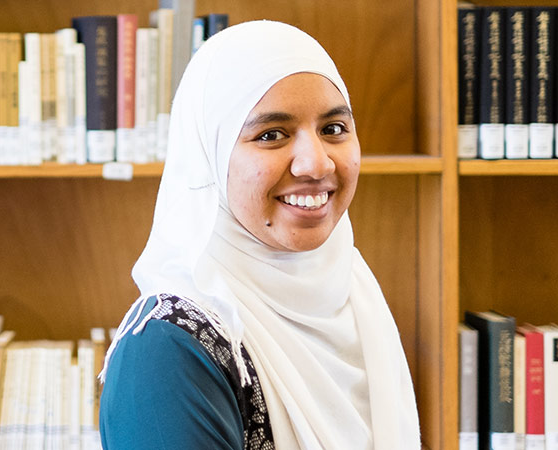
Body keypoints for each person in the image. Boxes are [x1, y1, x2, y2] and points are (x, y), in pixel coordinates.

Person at [98, 21, 420, 449]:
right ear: (209, 158)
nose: (316, 164)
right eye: (271, 135)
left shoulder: (353, 292)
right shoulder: (167, 351)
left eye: (334, 129)